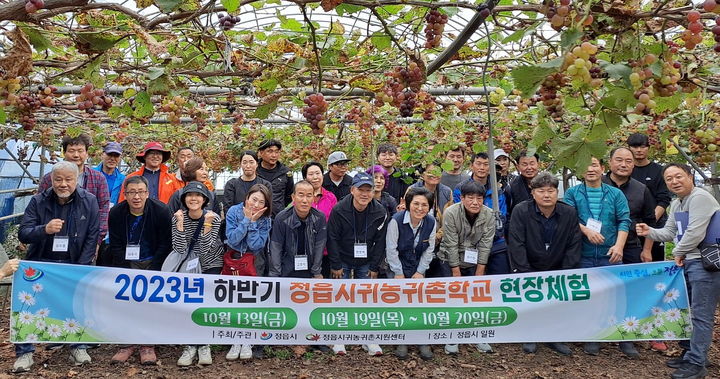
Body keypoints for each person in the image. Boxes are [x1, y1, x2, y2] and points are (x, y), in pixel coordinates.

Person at [637, 163, 720, 379]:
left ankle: (697, 364)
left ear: (690, 176)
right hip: (690, 263)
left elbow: (694, 233)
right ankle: (691, 354)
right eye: (669, 179)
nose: (674, 181)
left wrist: (678, 253)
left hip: (704, 263)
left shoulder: (700, 197)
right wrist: (650, 232)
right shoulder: (677, 203)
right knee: (690, 312)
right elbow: (670, 232)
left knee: (702, 315)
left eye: (678, 176)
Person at [15, 161, 100, 373]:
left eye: (68, 179)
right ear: (51, 181)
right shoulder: (38, 201)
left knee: (76, 305)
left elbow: (92, 236)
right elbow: (23, 233)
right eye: (58, 179)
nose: (63, 184)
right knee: (30, 307)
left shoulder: (89, 201)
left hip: (73, 263)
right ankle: (25, 352)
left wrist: (80, 268)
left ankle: (77, 347)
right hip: (42, 264)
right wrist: (45, 229)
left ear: (77, 180)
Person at [508, 172, 582, 356]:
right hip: (529, 266)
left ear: (557, 193)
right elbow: (516, 242)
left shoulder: (568, 212)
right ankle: (530, 335)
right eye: (541, 191)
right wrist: (524, 272)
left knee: (555, 304)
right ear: (533, 193)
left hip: (557, 267)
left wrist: (566, 272)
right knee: (530, 302)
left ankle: (554, 337)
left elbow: (574, 243)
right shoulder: (521, 210)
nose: (546, 195)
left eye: (551, 191)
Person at [563, 157, 631, 356]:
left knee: (617, 296)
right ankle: (593, 336)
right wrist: (586, 231)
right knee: (590, 296)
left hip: (610, 253)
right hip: (583, 253)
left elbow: (624, 220)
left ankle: (623, 337)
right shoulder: (572, 193)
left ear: (603, 168)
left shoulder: (615, 193)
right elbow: (569, 218)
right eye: (586, 165)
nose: (590, 169)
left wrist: (619, 246)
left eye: (594, 165)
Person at [107, 175, 172, 366]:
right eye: (132, 192)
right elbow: (116, 244)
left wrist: (154, 267)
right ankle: (126, 344)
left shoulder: (161, 211)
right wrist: (125, 268)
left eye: (141, 192)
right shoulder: (117, 213)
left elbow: (165, 242)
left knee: (150, 303)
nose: (137, 197)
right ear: (125, 194)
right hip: (127, 263)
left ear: (147, 193)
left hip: (153, 260)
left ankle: (147, 344)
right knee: (126, 302)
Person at [327, 172, 389, 356]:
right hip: (343, 258)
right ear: (352, 190)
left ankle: (368, 338)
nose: (364, 194)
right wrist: (336, 264)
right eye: (360, 189)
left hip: (367, 260)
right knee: (340, 298)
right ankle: (339, 339)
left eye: (368, 190)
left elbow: (381, 242)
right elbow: (332, 238)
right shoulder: (339, 210)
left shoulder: (380, 212)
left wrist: (374, 266)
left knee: (367, 299)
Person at [269, 180, 327, 357]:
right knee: (288, 304)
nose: (304, 199)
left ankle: (312, 339)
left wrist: (317, 272)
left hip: (309, 268)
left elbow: (319, 245)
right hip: (287, 268)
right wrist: (275, 275)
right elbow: (276, 247)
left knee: (310, 306)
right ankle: (287, 338)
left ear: (314, 198)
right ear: (293, 197)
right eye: (300, 195)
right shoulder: (282, 218)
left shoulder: (319, 217)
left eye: (309, 195)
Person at [437, 180, 495, 355]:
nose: (475, 202)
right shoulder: (451, 212)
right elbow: (450, 243)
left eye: (479, 198)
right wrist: (456, 272)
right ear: (461, 198)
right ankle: (451, 336)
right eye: (470, 198)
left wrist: (479, 272)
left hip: (474, 260)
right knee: (453, 298)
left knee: (476, 297)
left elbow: (486, 244)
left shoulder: (489, 214)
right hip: (449, 259)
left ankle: (477, 335)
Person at [627, 133, 673, 353]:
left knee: (655, 281)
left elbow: (664, 198)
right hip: (627, 234)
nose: (638, 151)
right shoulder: (625, 170)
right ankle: (629, 328)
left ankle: (656, 333)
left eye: (642, 147)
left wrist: (650, 221)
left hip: (653, 231)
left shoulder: (658, 171)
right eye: (634, 147)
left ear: (648, 148)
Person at [173, 182, 223, 367]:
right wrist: (179, 223)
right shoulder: (178, 217)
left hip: (211, 263)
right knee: (190, 302)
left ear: (204, 200)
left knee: (205, 303)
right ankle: (190, 344)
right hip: (188, 264)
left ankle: (204, 344)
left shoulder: (214, 217)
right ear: (184, 199)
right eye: (189, 195)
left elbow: (204, 248)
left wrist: (208, 224)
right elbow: (179, 247)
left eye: (198, 195)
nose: (193, 199)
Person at [386, 187, 437, 361]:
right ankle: (403, 339)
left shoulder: (430, 222)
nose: (420, 208)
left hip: (417, 269)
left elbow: (430, 249)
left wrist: (420, 271)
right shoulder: (396, 220)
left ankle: (422, 339)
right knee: (400, 304)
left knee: (420, 304)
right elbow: (391, 249)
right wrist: (398, 273)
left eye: (424, 205)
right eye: (416, 203)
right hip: (397, 268)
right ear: (408, 204)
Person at [224, 184, 272, 361]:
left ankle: (248, 340)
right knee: (235, 300)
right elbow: (233, 239)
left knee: (251, 300)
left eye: (261, 202)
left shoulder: (266, 219)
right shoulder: (234, 212)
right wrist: (246, 219)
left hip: (254, 261)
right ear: (247, 198)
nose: (256, 204)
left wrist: (252, 223)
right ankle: (235, 340)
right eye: (254, 199)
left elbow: (256, 245)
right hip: (235, 261)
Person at [39, 134, 109, 245]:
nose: (76, 155)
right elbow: (40, 206)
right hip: (53, 237)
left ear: (86, 153)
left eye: (80, 151)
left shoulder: (98, 178)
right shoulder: (49, 178)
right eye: (71, 151)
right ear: (64, 153)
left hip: (86, 239)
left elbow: (103, 209)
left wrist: (97, 241)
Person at [453, 152, 511, 276]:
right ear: (471, 166)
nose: (482, 168)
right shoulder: (460, 188)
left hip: (496, 243)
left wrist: (489, 235)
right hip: (469, 245)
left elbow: (502, 217)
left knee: (500, 279)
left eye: (486, 164)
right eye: (478, 164)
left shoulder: (498, 189)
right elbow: (462, 217)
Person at [302, 161, 337, 279]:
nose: (315, 177)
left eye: (318, 173)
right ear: (305, 177)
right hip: (304, 251)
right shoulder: (299, 197)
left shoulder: (330, 197)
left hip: (325, 251)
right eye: (311, 174)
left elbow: (334, 225)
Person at [119, 141, 183, 204]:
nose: (155, 156)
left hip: (165, 214)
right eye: (152, 153)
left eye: (158, 153)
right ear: (144, 156)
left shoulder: (171, 179)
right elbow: (123, 200)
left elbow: (178, 202)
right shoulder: (131, 177)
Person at [94, 142, 126, 266]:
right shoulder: (92, 174)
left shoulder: (123, 179)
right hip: (94, 221)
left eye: (116, 156)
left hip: (112, 224)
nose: (112, 159)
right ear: (103, 155)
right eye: (109, 155)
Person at [256, 139, 293, 217]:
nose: (274, 155)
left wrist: (278, 207)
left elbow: (289, 195)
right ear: (261, 153)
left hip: (278, 217)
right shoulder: (254, 170)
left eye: (277, 152)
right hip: (256, 216)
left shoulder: (286, 172)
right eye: (270, 151)